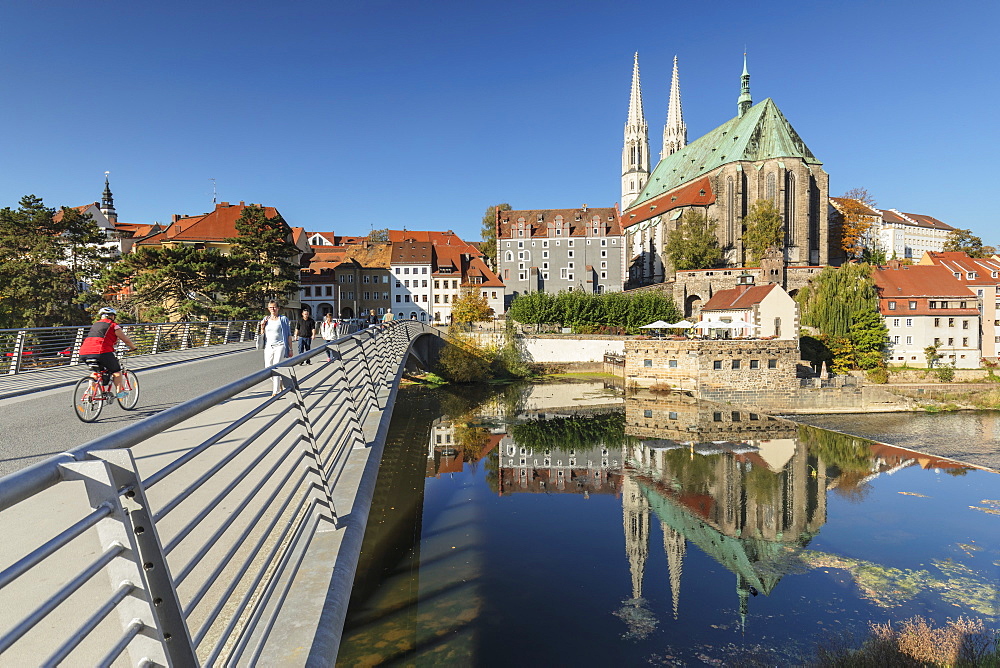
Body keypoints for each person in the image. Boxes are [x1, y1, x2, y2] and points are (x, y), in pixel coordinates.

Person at [79, 307, 138, 398]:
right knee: (117, 371)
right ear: (111, 316)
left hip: (84, 352)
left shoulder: (95, 325)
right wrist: (133, 347)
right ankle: (120, 393)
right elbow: (125, 339)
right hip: (101, 351)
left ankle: (91, 394)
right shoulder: (113, 325)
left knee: (96, 372)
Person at [259, 300, 292, 396]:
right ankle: (279, 381)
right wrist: (262, 327)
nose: (272, 309)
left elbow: (288, 335)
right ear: (268, 309)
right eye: (270, 307)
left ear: (278, 308)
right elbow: (262, 334)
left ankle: (275, 391)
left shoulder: (283, 319)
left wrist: (290, 349)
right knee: (268, 368)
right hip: (269, 346)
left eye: (274, 307)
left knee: (276, 366)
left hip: (280, 345)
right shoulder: (266, 319)